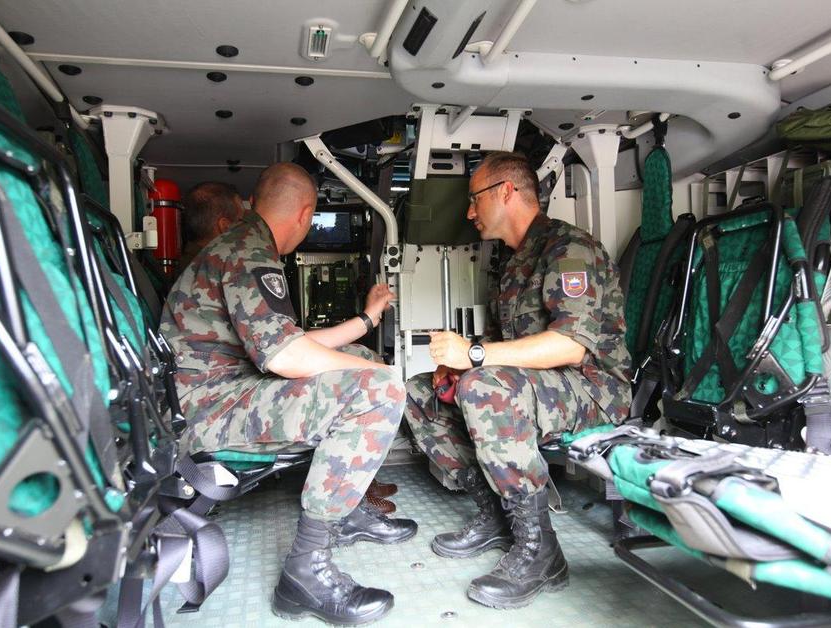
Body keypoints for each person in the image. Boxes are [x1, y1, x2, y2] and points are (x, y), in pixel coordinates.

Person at [160, 162, 416, 625]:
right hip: (211, 408)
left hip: (216, 393)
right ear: (305, 215)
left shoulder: (242, 244)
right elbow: (285, 356)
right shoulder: (248, 252)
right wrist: (384, 375)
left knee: (362, 361)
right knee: (376, 390)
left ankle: (346, 508)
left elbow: (288, 343)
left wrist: (367, 324)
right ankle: (306, 571)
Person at [404, 151, 631, 609]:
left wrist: (474, 357)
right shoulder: (512, 263)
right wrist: (461, 365)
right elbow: (505, 344)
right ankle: (495, 515)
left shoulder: (569, 249)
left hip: (592, 389)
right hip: (534, 386)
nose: (469, 212)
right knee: (420, 390)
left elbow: (570, 346)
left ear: (506, 192)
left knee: (483, 388)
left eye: (474, 199)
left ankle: (540, 549)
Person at [176, 181, 245, 276]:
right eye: (240, 221)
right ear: (225, 227)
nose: (245, 229)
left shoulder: (184, 266)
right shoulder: (220, 271)